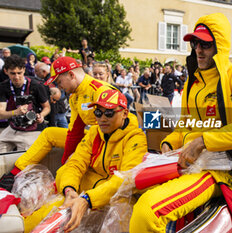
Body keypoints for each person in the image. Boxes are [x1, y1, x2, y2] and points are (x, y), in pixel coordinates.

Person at [130, 13, 232, 232]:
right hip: (192, 163)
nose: (199, 50)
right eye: (195, 43)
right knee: (131, 188)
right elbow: (185, 125)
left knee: (148, 210)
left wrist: (203, 141)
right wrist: (169, 142)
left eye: (206, 44)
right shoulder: (192, 84)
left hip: (224, 171)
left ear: (220, 46)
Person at [0, 56, 132, 192]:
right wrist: (65, 161)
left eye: (59, 81)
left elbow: (121, 126)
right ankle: (15, 173)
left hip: (110, 145)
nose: (58, 86)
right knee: (49, 133)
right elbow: (74, 131)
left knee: (67, 171)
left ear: (71, 74)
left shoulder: (101, 90)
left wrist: (71, 162)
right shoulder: (75, 96)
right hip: (92, 140)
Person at [23, 89, 147, 232]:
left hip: (115, 198)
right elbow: (75, 163)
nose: (102, 119)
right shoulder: (94, 133)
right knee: (39, 220)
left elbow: (125, 180)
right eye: (98, 113)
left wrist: (87, 200)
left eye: (109, 113)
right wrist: (69, 190)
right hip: (86, 193)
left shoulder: (136, 138)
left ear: (124, 113)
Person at [0, 55, 50, 154]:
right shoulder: (3, 86)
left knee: (23, 159)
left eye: (19, 73)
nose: (16, 77)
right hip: (13, 128)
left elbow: (47, 107)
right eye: (12, 73)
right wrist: (16, 112)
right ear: (6, 71)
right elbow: (1, 114)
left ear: (24, 69)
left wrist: (41, 116)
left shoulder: (36, 85)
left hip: (32, 130)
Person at [34, 62, 68, 128]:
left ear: (44, 71)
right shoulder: (52, 77)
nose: (35, 73)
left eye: (36, 71)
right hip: (61, 109)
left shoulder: (50, 80)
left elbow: (56, 93)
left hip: (56, 110)